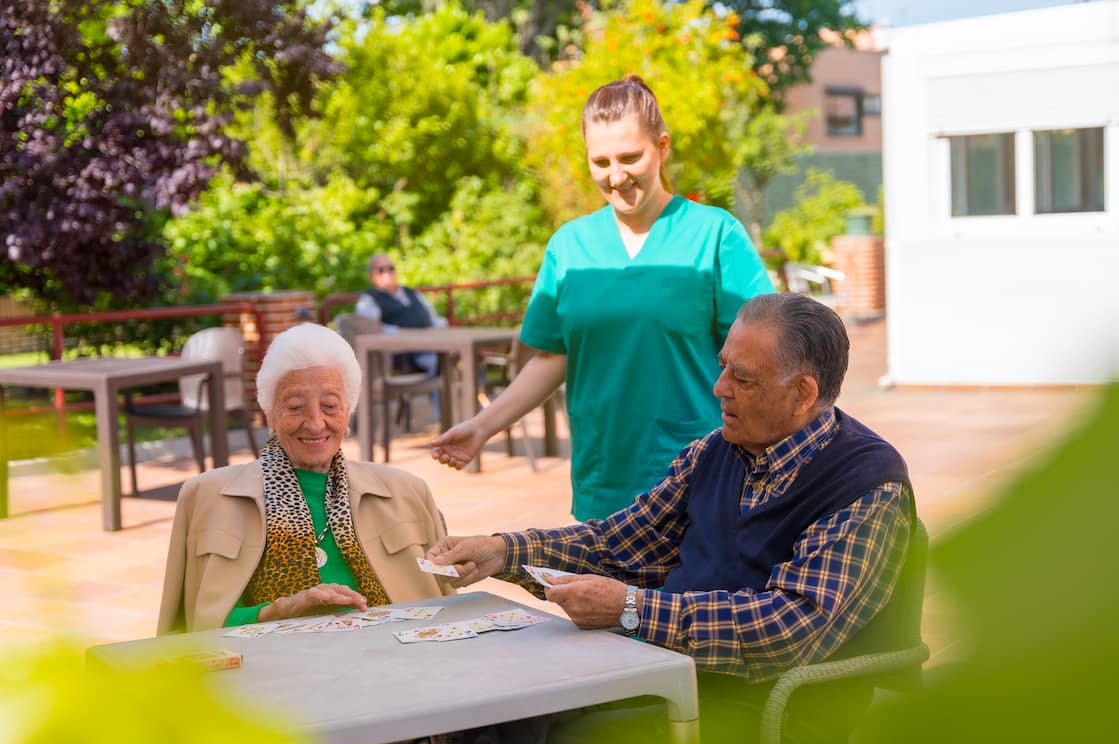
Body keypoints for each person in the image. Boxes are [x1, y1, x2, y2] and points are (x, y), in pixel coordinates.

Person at [428, 293, 917, 744]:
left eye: (742, 379)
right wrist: (505, 551)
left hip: (777, 718)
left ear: (802, 392)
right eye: (723, 366)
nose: (719, 388)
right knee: (501, 713)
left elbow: (789, 628)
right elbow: (617, 544)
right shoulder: (714, 452)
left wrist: (631, 610)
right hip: (670, 677)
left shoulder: (865, 484)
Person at [431, 75, 774, 521]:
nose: (616, 176)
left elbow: (765, 355)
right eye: (601, 161)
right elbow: (553, 358)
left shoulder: (715, 235)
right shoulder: (569, 247)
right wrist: (482, 427)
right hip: (603, 477)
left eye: (631, 157)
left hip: (702, 474)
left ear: (663, 147)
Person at [158, 322, 454, 634]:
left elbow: (447, 616)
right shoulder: (206, 497)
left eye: (330, 406)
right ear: (269, 413)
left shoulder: (408, 492)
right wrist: (280, 610)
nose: (315, 424)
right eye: (295, 407)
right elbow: (193, 632)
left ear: (348, 410)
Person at [355, 251, 443, 376]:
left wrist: (440, 327)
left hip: (434, 344)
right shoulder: (369, 299)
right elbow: (371, 331)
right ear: (372, 275)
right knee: (441, 364)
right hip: (404, 354)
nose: (388, 273)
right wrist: (404, 333)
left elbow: (433, 317)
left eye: (391, 268)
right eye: (381, 270)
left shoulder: (411, 292)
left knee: (463, 357)